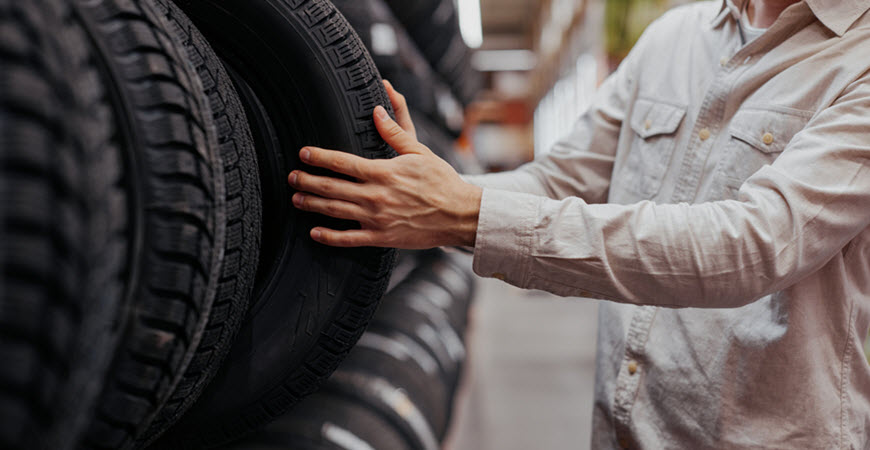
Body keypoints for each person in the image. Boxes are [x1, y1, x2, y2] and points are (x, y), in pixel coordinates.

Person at [287, 0, 870, 447]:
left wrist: (464, 213)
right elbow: (559, 178)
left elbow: (751, 245)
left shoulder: (859, 64)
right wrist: (423, 189)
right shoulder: (674, 39)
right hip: (626, 430)